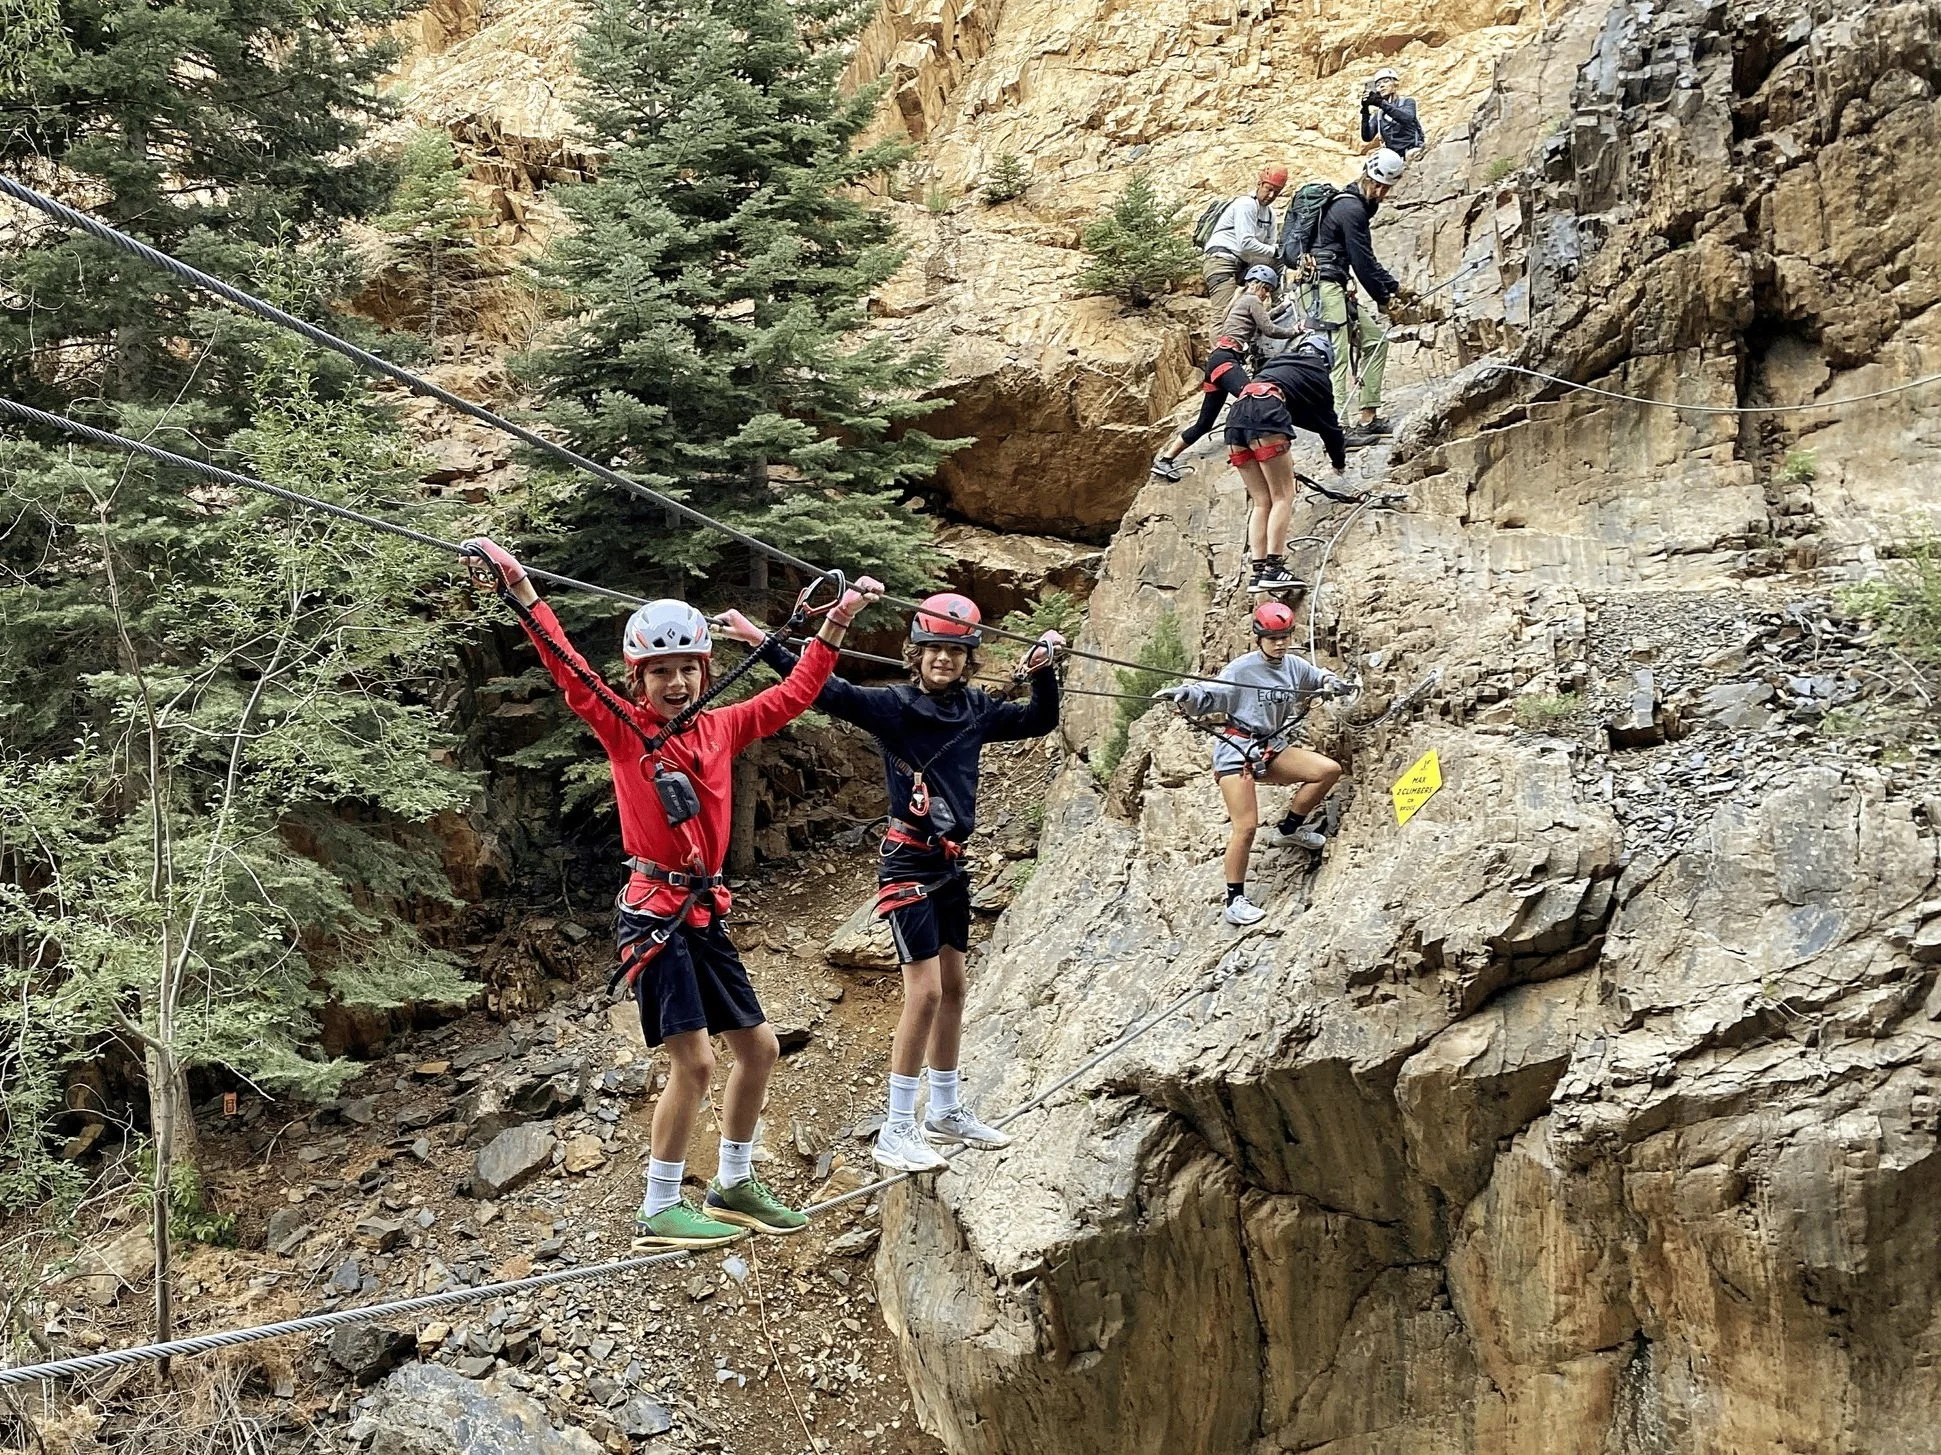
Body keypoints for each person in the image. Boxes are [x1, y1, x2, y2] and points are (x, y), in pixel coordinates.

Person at [464, 538, 881, 1249]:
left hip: (701, 914)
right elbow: (567, 669)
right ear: (639, 679)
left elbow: (795, 693)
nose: (678, 681)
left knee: (759, 1048)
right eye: (661, 671)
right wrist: (522, 588)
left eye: (687, 666)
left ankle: (733, 1181)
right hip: (654, 916)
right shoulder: (625, 731)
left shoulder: (724, 724)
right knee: (695, 1061)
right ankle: (659, 1204)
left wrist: (834, 625)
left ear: (703, 668)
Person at [728, 593, 1063, 1173]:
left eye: (954, 650)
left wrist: (1045, 673)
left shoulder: (976, 710)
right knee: (926, 992)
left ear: (967, 657)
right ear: (916, 653)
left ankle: (946, 1108)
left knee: (956, 988)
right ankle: (898, 1126)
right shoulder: (894, 707)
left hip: (951, 864)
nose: (943, 659)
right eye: (934, 648)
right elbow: (827, 691)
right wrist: (764, 645)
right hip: (908, 862)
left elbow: (1040, 720)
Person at [1155, 601, 1351, 927]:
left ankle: (1289, 831)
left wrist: (1332, 682)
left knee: (1327, 771)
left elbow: (1316, 676)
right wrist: (1184, 694)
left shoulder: (1293, 666)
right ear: (1259, 637)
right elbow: (1209, 694)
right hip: (1237, 750)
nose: (1280, 643)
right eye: (1273, 637)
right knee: (1245, 827)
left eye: (1285, 636)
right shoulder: (1241, 670)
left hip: (1271, 747)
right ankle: (1234, 900)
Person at [1152, 266, 1308, 483]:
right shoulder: (1252, 300)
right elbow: (1269, 329)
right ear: (1260, 286)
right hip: (1226, 360)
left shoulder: (1241, 301)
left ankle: (1166, 460)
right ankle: (1253, 447)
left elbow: (1263, 320)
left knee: (1204, 423)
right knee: (1254, 398)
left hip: (1217, 362)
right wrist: (1295, 331)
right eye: (1267, 290)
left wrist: (1283, 307)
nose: (1266, 296)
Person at [1222, 332, 1350, 592]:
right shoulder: (1319, 374)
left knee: (1261, 501)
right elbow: (1329, 426)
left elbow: (1297, 412)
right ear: (1326, 360)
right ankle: (1274, 568)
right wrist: (1338, 461)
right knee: (1283, 495)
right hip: (1267, 412)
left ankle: (1258, 573)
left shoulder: (1278, 364)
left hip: (1235, 419)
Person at [1312, 149, 1413, 445]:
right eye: (1380, 187)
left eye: (1386, 189)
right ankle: (1338, 431)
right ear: (1372, 180)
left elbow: (1365, 259)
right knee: (1339, 353)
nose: (1382, 194)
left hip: (1336, 284)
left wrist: (1395, 288)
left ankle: (1368, 419)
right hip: (1323, 285)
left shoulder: (1355, 205)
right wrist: (1385, 299)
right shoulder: (1351, 209)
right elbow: (1362, 262)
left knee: (1375, 342)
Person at [1201, 167, 1287, 325]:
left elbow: (1270, 249)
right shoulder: (1246, 204)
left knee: (1279, 260)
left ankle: (1280, 305)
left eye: (1276, 192)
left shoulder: (1270, 214)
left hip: (1243, 263)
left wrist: (1277, 253)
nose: (1271, 196)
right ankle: (1222, 350)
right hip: (1222, 259)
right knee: (1222, 315)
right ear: (1259, 184)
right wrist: (1275, 251)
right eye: (1268, 189)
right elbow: (1245, 243)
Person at [1360, 69, 1425, 158]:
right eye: (1378, 85)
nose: (1382, 86)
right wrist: (1365, 111)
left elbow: (1407, 118)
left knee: (1411, 155)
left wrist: (1381, 103)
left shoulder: (1407, 102)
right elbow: (1367, 137)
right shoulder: (1379, 115)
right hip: (1393, 157)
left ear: (1395, 84)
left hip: (1413, 150)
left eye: (1386, 81)